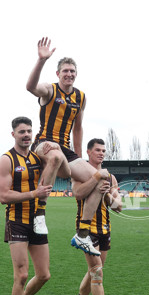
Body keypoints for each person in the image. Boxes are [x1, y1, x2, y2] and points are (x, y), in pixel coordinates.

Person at [26, 37, 109, 255]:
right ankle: (40, 215)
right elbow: (30, 86)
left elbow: (78, 128)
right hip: (43, 143)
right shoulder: (50, 90)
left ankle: (82, 234)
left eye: (72, 71)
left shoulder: (80, 97)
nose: (69, 74)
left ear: (76, 73)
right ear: (58, 74)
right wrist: (41, 60)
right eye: (65, 71)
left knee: (102, 179)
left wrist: (79, 158)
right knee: (54, 156)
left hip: (66, 150)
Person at [0, 116, 53, 295]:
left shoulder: (38, 157)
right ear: (13, 135)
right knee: (21, 274)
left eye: (29, 131)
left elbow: (59, 166)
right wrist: (33, 194)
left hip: (38, 221)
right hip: (17, 220)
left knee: (44, 275)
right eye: (22, 132)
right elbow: (3, 196)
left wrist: (54, 149)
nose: (26, 135)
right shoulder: (6, 160)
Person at [68, 138, 121, 295]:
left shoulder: (112, 177)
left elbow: (119, 207)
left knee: (94, 271)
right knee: (97, 272)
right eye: (97, 150)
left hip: (105, 229)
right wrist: (96, 179)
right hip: (87, 229)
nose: (101, 153)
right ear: (88, 152)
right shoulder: (80, 172)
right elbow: (78, 193)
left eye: (103, 150)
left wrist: (108, 195)